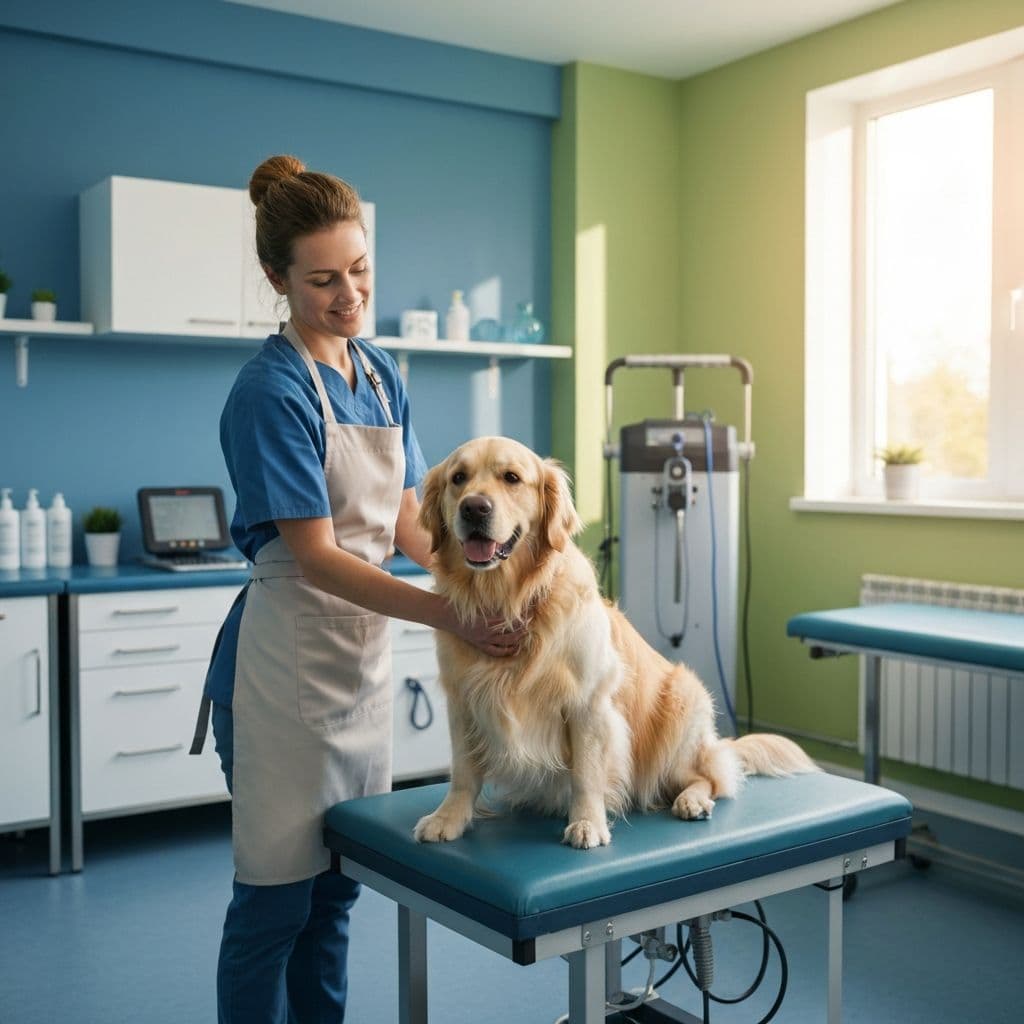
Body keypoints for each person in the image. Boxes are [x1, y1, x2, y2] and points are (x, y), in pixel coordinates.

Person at [192, 154, 524, 1024]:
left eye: (362, 271)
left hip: (359, 668)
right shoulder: (270, 391)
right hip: (283, 672)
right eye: (324, 280)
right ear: (278, 279)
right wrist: (449, 613)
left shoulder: (378, 374)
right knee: (273, 903)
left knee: (339, 891)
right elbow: (319, 556)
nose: (350, 297)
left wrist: (498, 577)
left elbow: (414, 526)